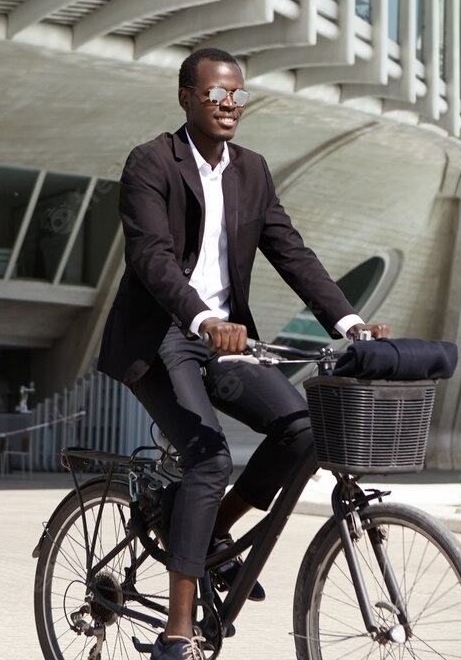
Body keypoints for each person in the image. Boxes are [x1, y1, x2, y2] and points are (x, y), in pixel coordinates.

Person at [98, 48, 390, 658]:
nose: (228, 105)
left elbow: (292, 252)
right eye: (214, 95)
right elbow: (150, 256)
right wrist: (202, 317)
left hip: (228, 341)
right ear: (185, 97)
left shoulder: (252, 170)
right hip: (163, 339)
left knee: (303, 431)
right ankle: (178, 630)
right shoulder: (151, 162)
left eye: (238, 95)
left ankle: (211, 536)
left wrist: (351, 323)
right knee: (208, 459)